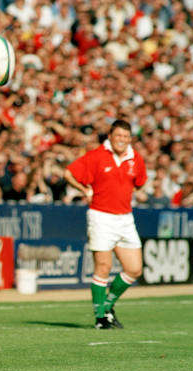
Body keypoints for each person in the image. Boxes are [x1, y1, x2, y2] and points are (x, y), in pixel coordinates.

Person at [64, 119, 146, 329]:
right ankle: (100, 318)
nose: (122, 140)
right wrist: (85, 191)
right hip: (101, 216)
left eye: (126, 137)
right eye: (119, 136)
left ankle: (108, 305)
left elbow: (139, 183)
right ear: (110, 136)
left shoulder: (135, 158)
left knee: (134, 269)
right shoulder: (96, 156)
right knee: (103, 266)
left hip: (125, 218)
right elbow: (69, 173)